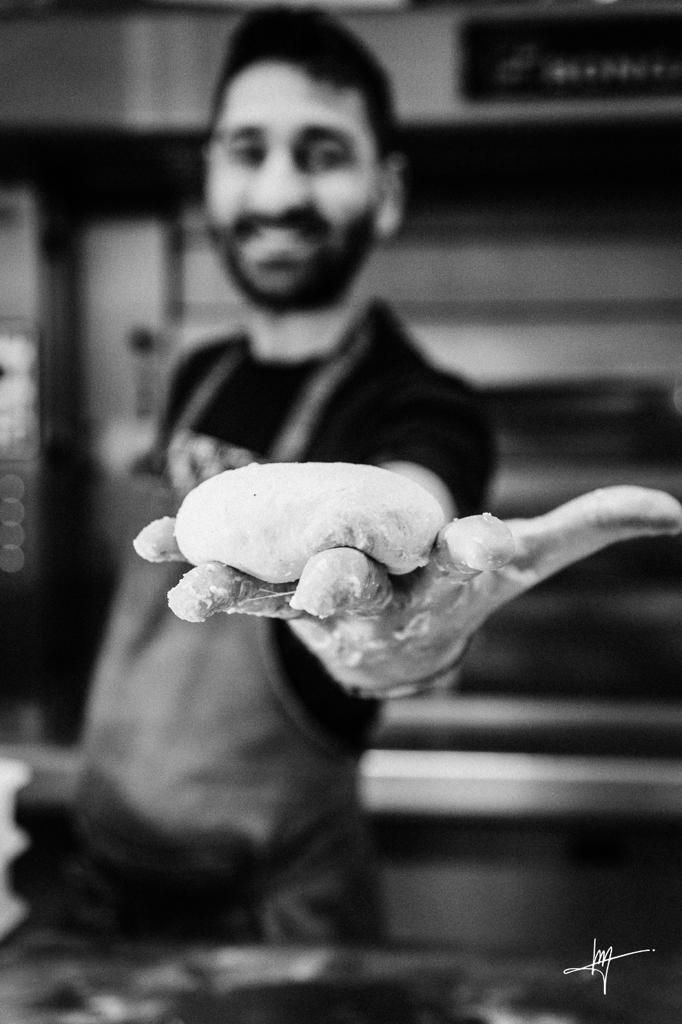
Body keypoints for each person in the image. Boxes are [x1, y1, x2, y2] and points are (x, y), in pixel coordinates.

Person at [71, 6, 681, 944]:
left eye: (321, 153)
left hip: (275, 915)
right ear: (212, 178)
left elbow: (421, 516)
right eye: (248, 149)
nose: (277, 189)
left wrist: (401, 633)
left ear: (386, 192)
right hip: (103, 881)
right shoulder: (201, 372)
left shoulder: (424, 404)